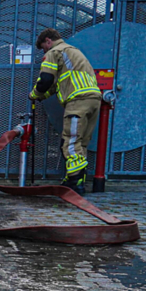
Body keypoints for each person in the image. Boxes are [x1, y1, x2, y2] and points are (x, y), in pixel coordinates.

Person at [29, 28, 102, 196]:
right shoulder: (74, 52)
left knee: (69, 142)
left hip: (78, 101)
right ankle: (75, 178)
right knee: (81, 142)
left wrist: (34, 94)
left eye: (43, 48)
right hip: (93, 100)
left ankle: (75, 183)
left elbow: (45, 80)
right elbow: (56, 85)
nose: (44, 52)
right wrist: (43, 96)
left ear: (48, 41)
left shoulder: (55, 52)